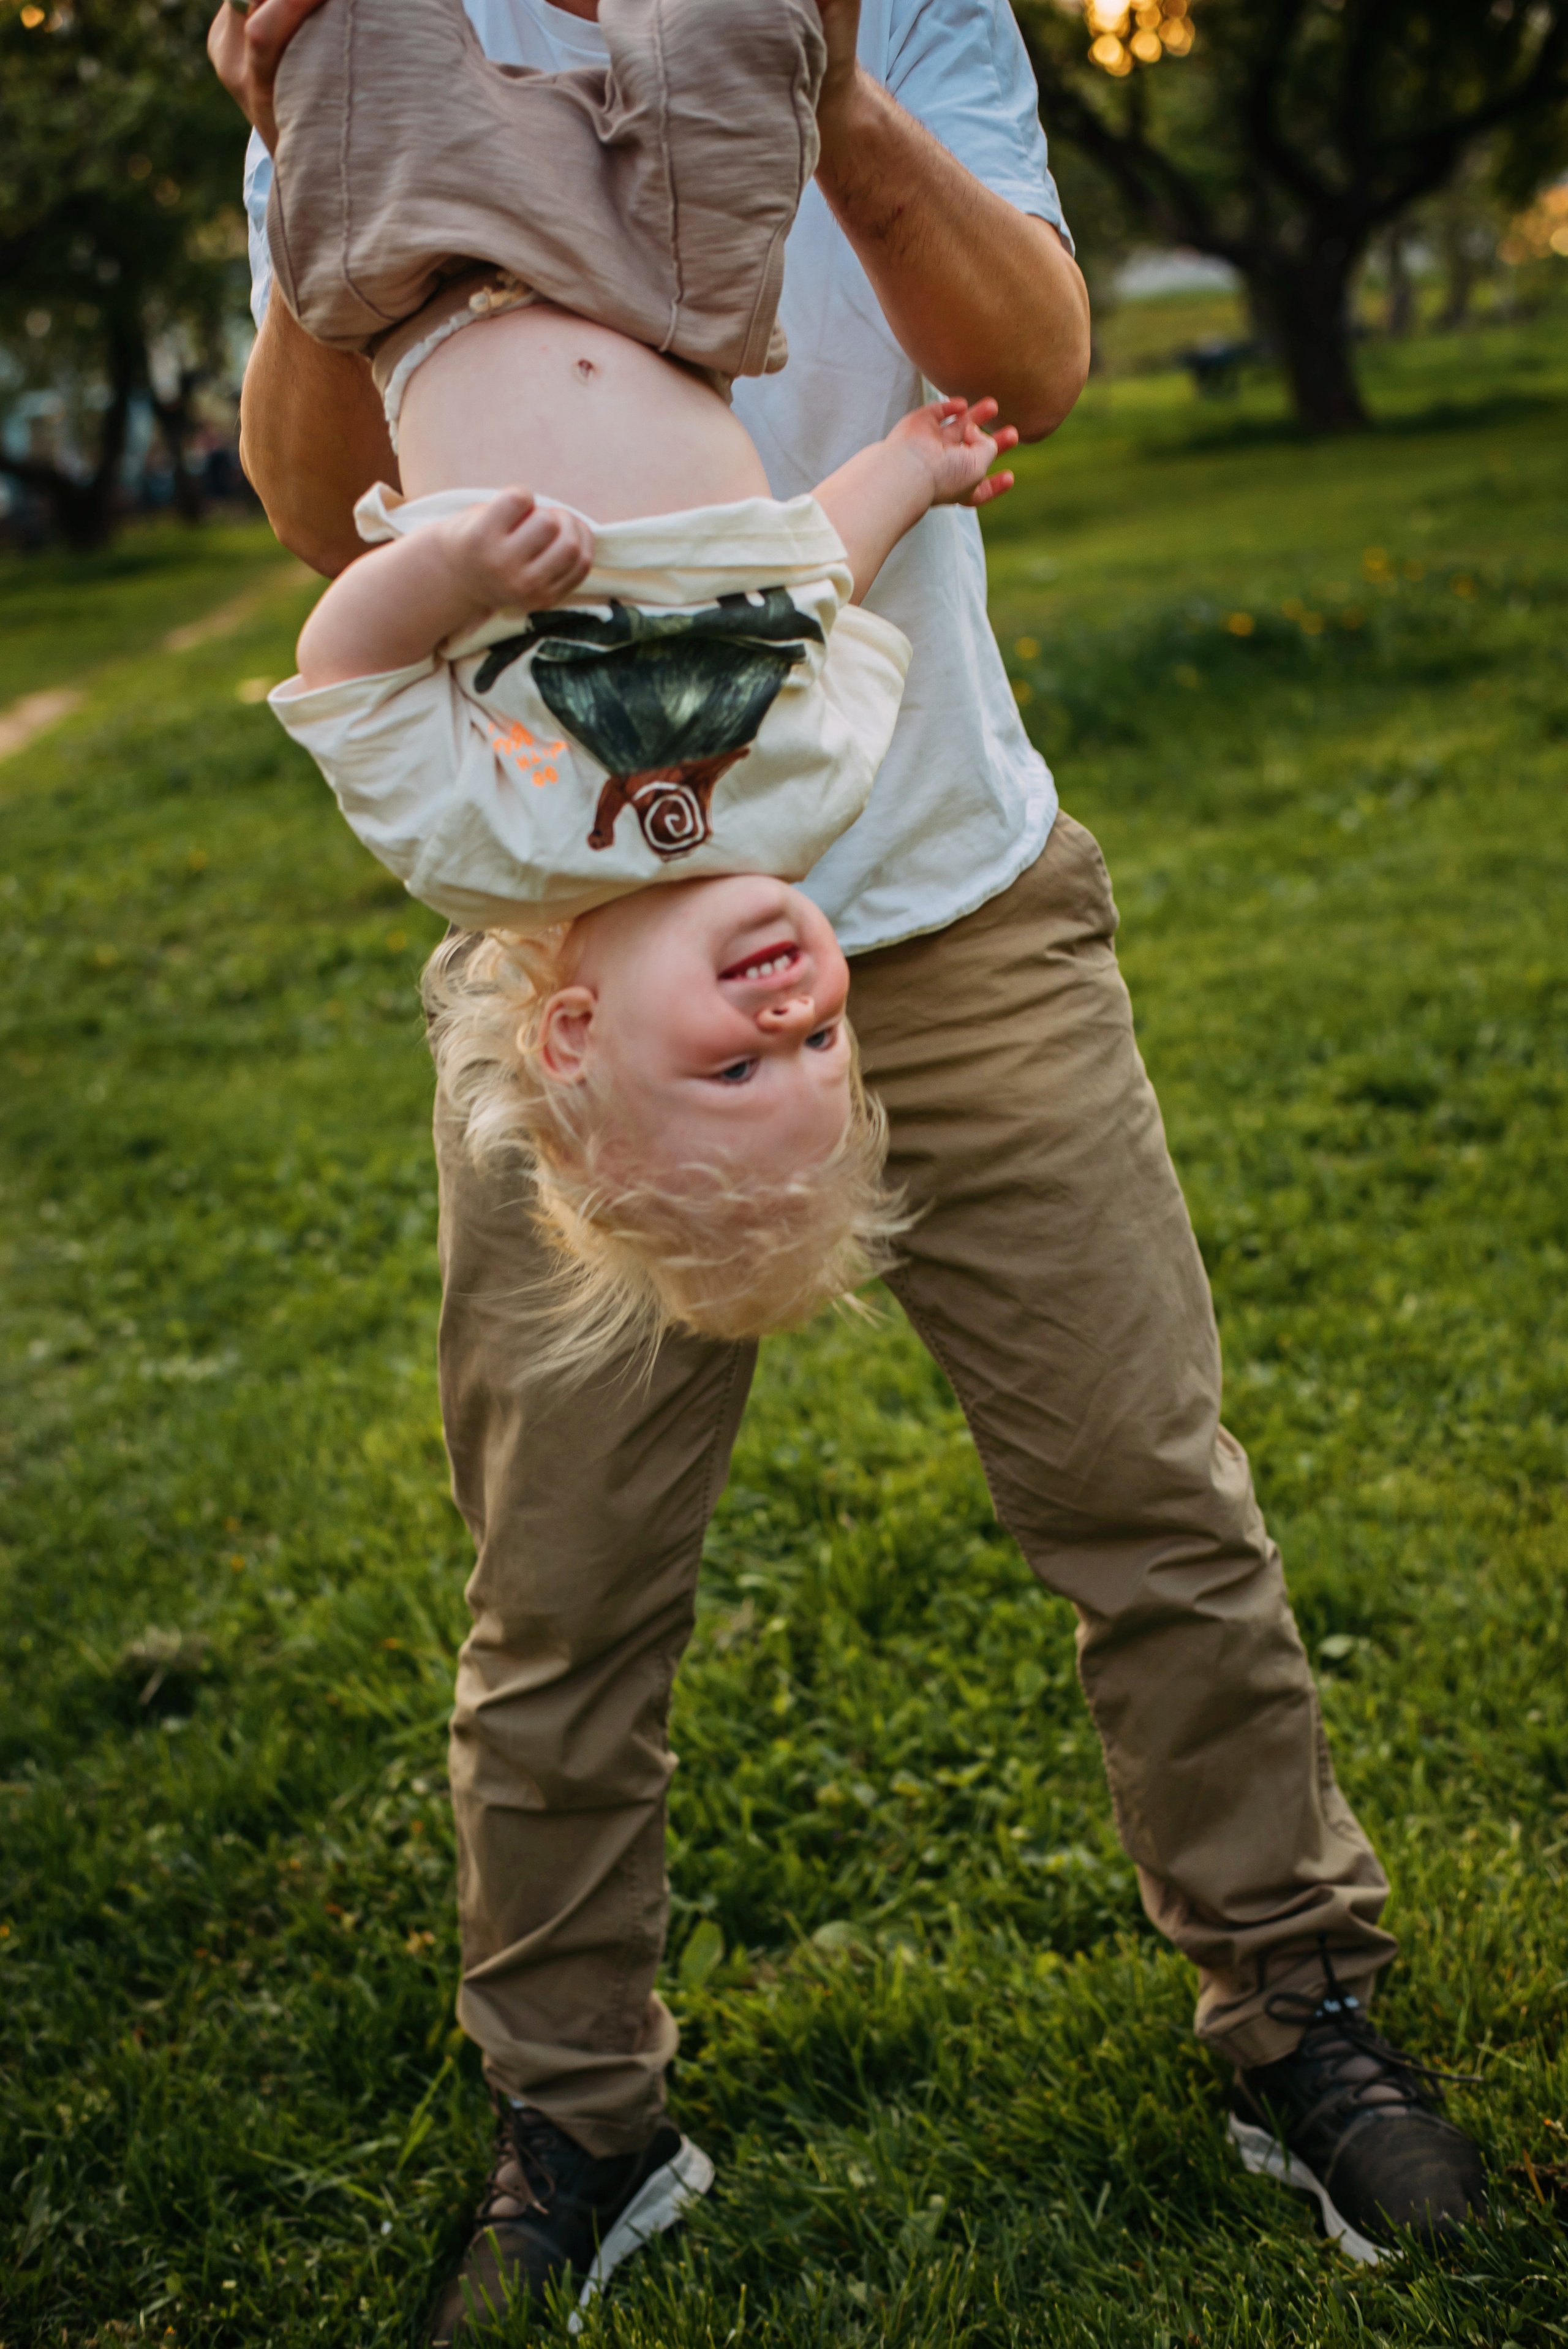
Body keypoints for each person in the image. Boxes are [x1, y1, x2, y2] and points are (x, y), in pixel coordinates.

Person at [213, 0, 1487, 2339]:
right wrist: (299, 156)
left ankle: (1296, 2000)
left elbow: (1037, 359)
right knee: (564, 1589)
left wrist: (829, 84)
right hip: (587, 991)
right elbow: (317, 519)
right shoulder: (362, 24)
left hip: (962, 901)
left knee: (1149, 1493)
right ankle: (578, 2109)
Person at [261, 0, 1020, 1369]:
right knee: (741, 46)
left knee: (352, 48)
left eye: (735, 1068)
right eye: (821, 1054)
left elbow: (345, 669)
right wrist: (910, 470)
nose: (793, 1021)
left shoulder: (492, 853)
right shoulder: (808, 795)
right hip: (678, 298)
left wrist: (457, 574)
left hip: (434, 282)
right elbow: (808, 584)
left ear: (570, 1036)